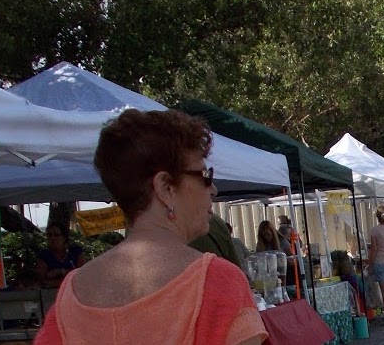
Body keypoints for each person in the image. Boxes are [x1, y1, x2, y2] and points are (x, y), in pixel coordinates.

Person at [36, 109, 266, 345]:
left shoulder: (71, 297)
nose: (213, 188)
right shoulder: (218, 282)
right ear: (166, 188)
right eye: (205, 175)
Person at [0, 268, 42, 340]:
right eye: (32, 290)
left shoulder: (1, 297)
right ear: (20, 285)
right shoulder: (0, 300)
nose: (33, 295)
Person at [36, 223, 87, 288]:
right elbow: (42, 281)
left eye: (56, 235)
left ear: (64, 237)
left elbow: (82, 274)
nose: (52, 238)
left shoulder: (75, 252)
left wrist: (60, 272)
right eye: (49, 235)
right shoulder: (44, 255)